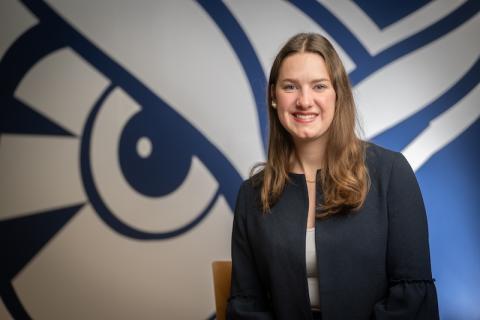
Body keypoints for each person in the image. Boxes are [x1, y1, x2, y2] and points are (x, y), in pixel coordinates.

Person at [226, 33, 439, 320]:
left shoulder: (391, 173)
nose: (304, 101)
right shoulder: (252, 195)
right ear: (274, 97)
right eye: (290, 87)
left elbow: (411, 299)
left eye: (319, 86)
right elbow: (246, 306)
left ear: (337, 94)